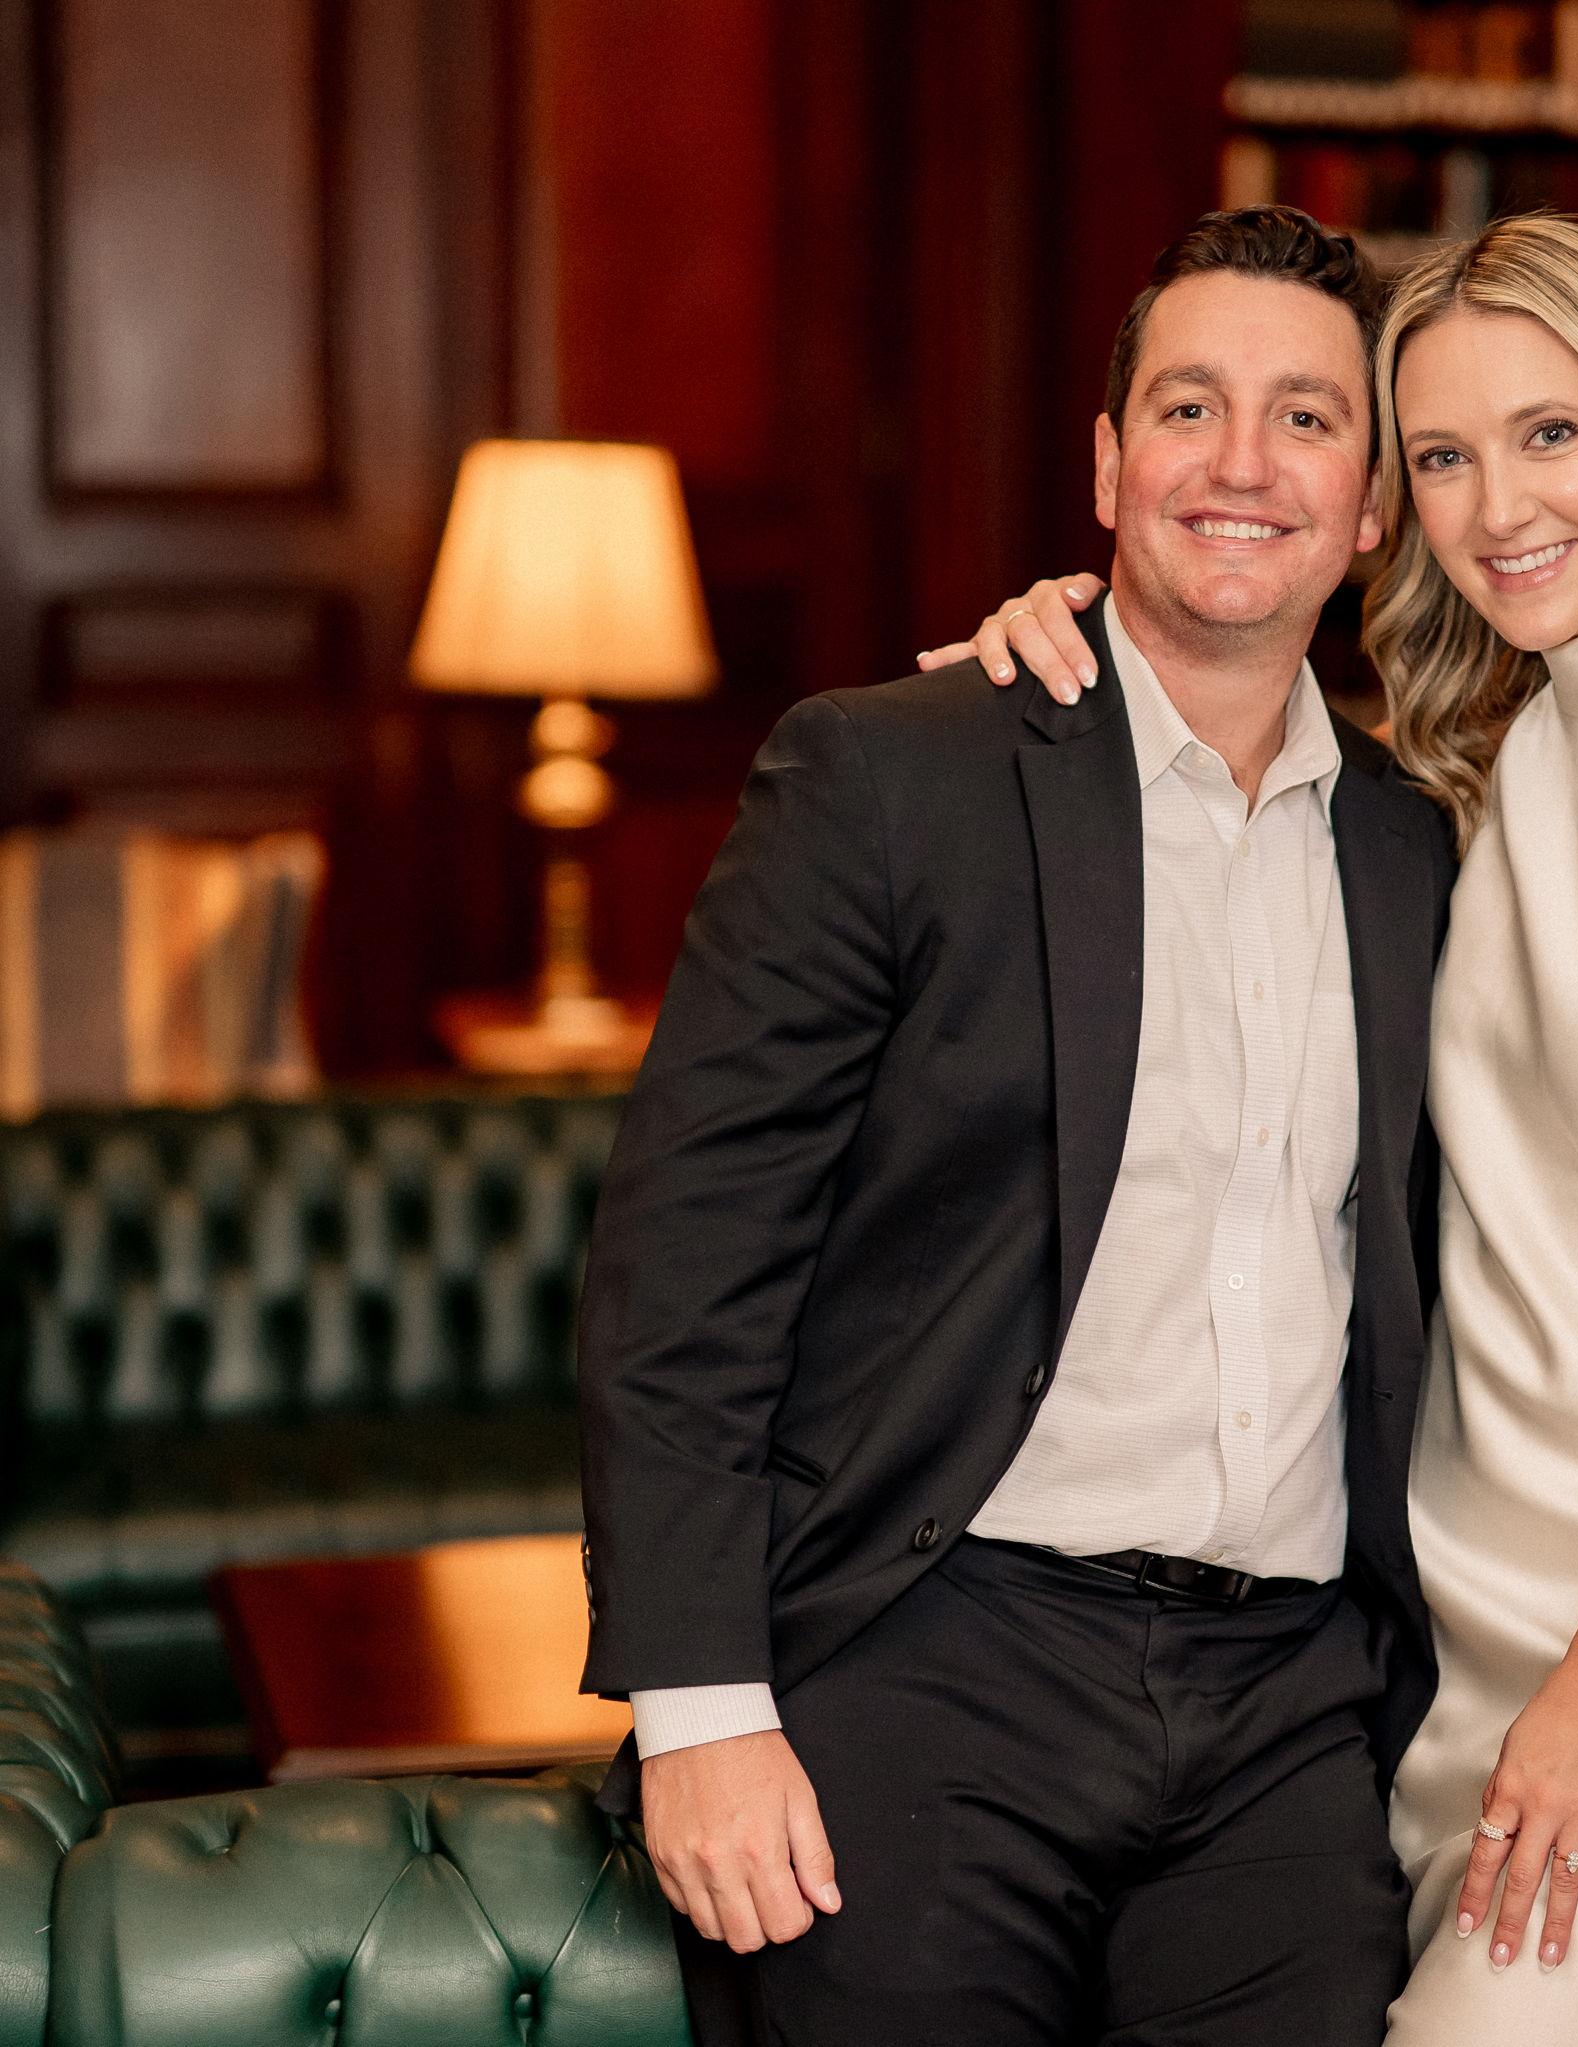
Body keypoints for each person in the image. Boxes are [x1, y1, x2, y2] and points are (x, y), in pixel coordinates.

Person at [939, 211, 1578, 2042]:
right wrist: (1061, 635)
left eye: (1551, 434)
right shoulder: (1463, 769)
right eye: (1443, 456)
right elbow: (1200, 723)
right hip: (1477, 1588)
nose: (1500, 508)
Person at [576, 205, 1457, 2046]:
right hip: (932, 1657)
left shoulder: (1421, 849)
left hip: (1289, 1707)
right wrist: (700, 1708)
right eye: (1190, 406)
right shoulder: (894, 776)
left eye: (1306, 419)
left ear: (1373, 504)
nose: (1242, 462)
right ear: (1109, 464)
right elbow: (686, 1266)